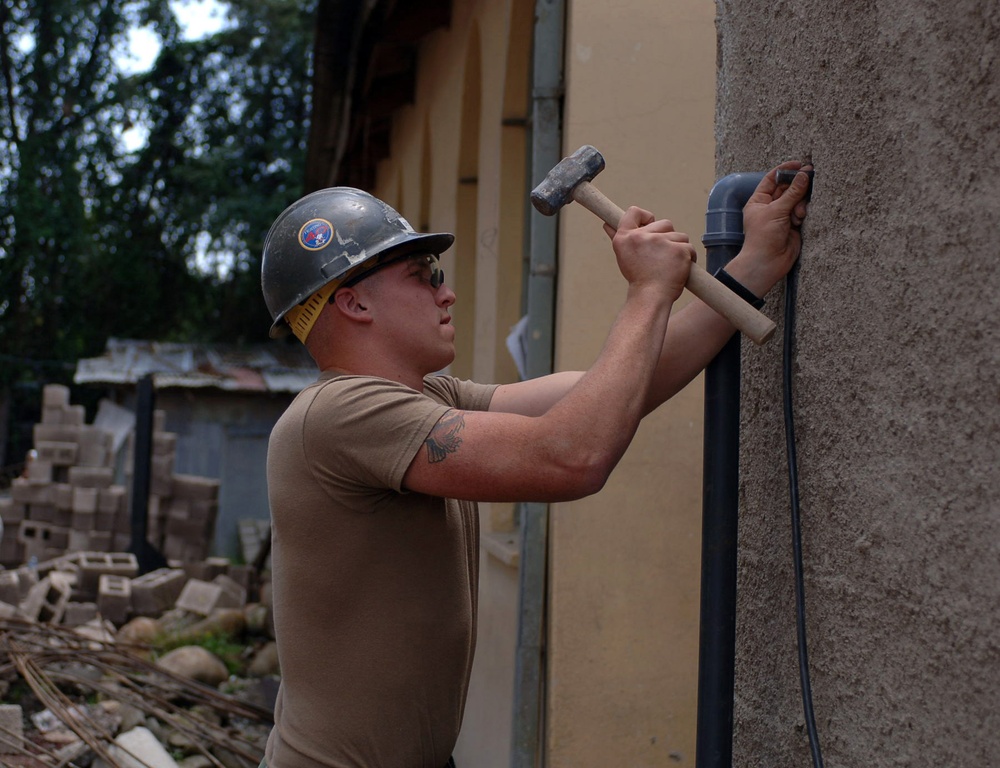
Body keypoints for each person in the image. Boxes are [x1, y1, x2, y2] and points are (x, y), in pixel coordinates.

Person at [258, 163, 811, 768]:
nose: (446, 291)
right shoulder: (340, 414)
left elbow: (618, 392)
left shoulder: (427, 399)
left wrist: (751, 267)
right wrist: (648, 292)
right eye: (424, 276)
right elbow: (571, 456)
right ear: (354, 302)